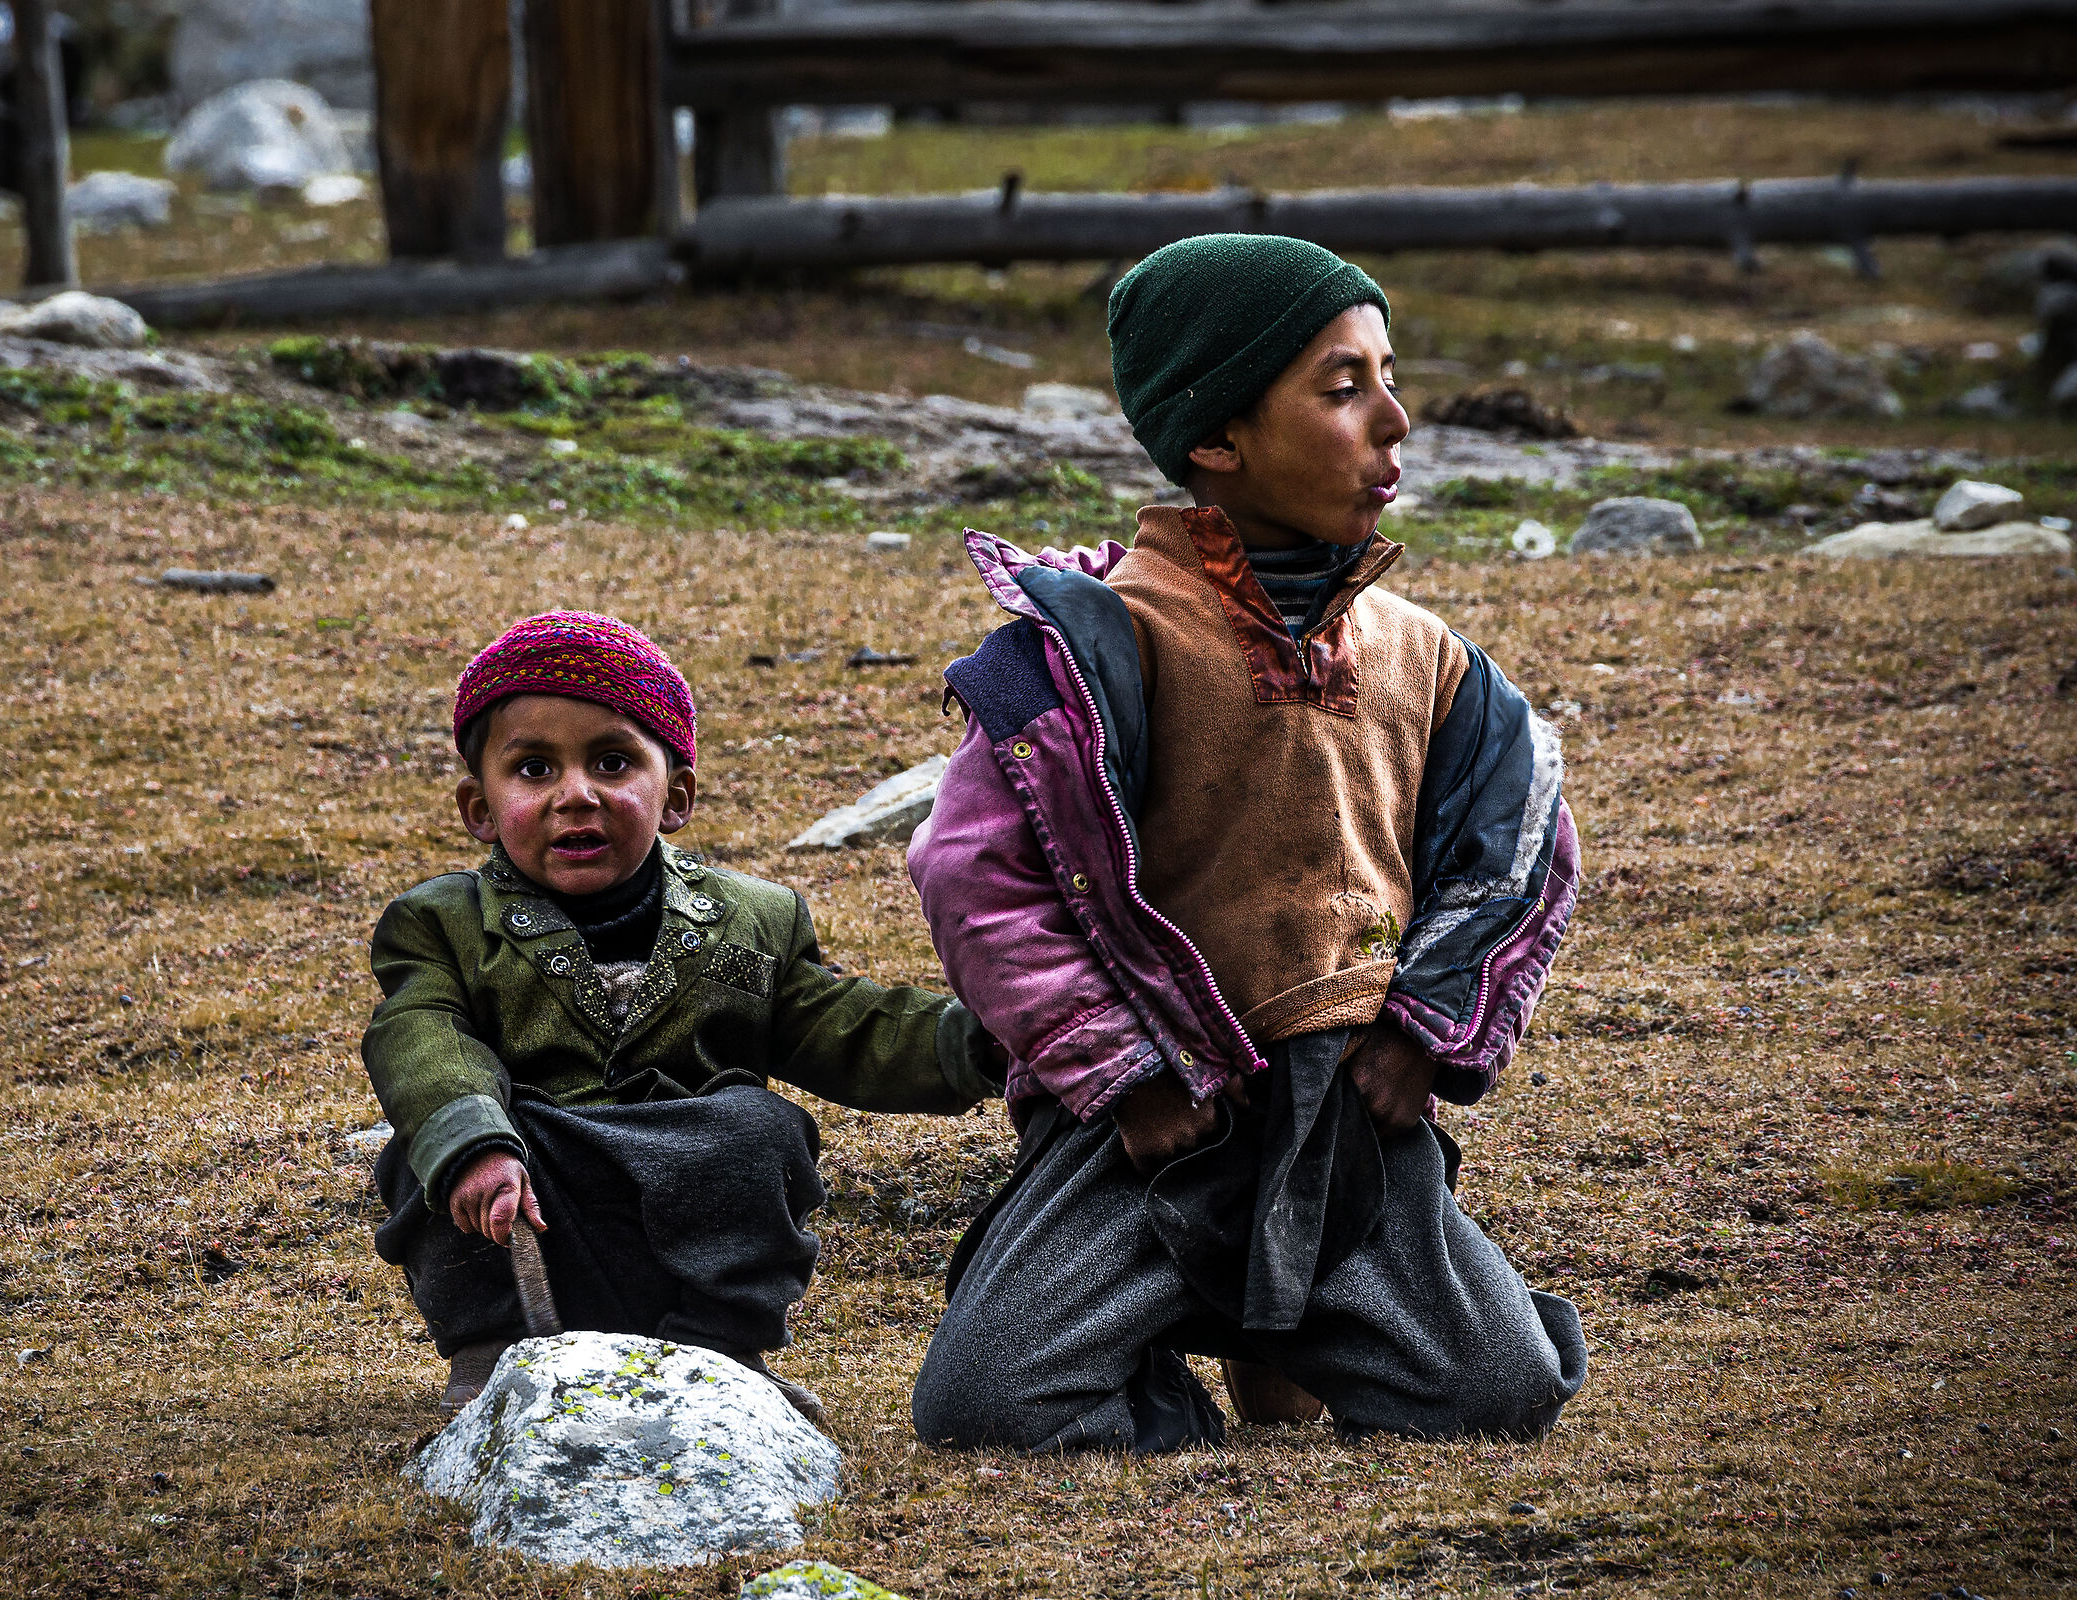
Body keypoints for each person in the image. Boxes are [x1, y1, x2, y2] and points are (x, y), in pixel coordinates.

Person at [903, 235, 1586, 1453]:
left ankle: (1320, 1323)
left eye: (1390, 374)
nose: (1398, 419)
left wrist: (1423, 1033)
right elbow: (975, 876)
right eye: (1343, 387)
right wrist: (1121, 1068)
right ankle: (1171, 1349)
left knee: (1503, 1395)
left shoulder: (1428, 659)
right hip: (1160, 1120)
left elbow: (1519, 842)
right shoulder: (1090, 646)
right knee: (985, 1407)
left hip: (1349, 1120)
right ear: (1215, 438)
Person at [362, 611, 999, 1418]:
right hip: (528, 1208)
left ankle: (723, 1354)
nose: (576, 795)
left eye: (613, 761)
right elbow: (423, 1035)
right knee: (433, 1144)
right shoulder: (439, 925)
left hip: (685, 1206)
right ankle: (492, 1357)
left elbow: (844, 1024)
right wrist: (472, 1143)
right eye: (532, 769)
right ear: (480, 810)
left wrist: (989, 1040)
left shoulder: (753, 918)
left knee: (757, 1129)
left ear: (677, 796)